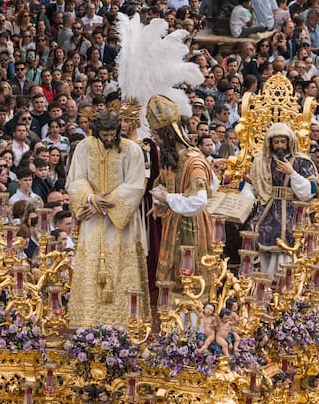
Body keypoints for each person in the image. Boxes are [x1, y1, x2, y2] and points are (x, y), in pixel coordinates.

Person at [64, 111, 150, 327]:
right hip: (91, 216)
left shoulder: (132, 150)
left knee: (121, 267)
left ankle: (124, 321)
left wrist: (105, 204)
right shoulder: (84, 146)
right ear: (96, 131)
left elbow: (135, 185)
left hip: (120, 220)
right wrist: (91, 198)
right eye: (105, 134)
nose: (109, 138)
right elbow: (75, 178)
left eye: (113, 134)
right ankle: (88, 320)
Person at [146, 94, 218, 296]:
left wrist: (169, 199)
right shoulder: (171, 158)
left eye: (157, 136)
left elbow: (199, 201)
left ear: (168, 135)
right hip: (173, 222)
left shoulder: (193, 162)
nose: (155, 140)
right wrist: (161, 201)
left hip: (192, 226)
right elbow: (162, 184)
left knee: (191, 281)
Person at [244, 122, 317, 274]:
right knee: (263, 248)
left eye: (283, 141)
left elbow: (311, 191)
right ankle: (264, 282)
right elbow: (248, 185)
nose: (280, 145)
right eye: (276, 142)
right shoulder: (260, 161)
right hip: (265, 209)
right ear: (269, 143)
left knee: (286, 248)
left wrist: (292, 173)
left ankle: (283, 283)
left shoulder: (301, 161)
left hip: (292, 211)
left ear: (289, 142)